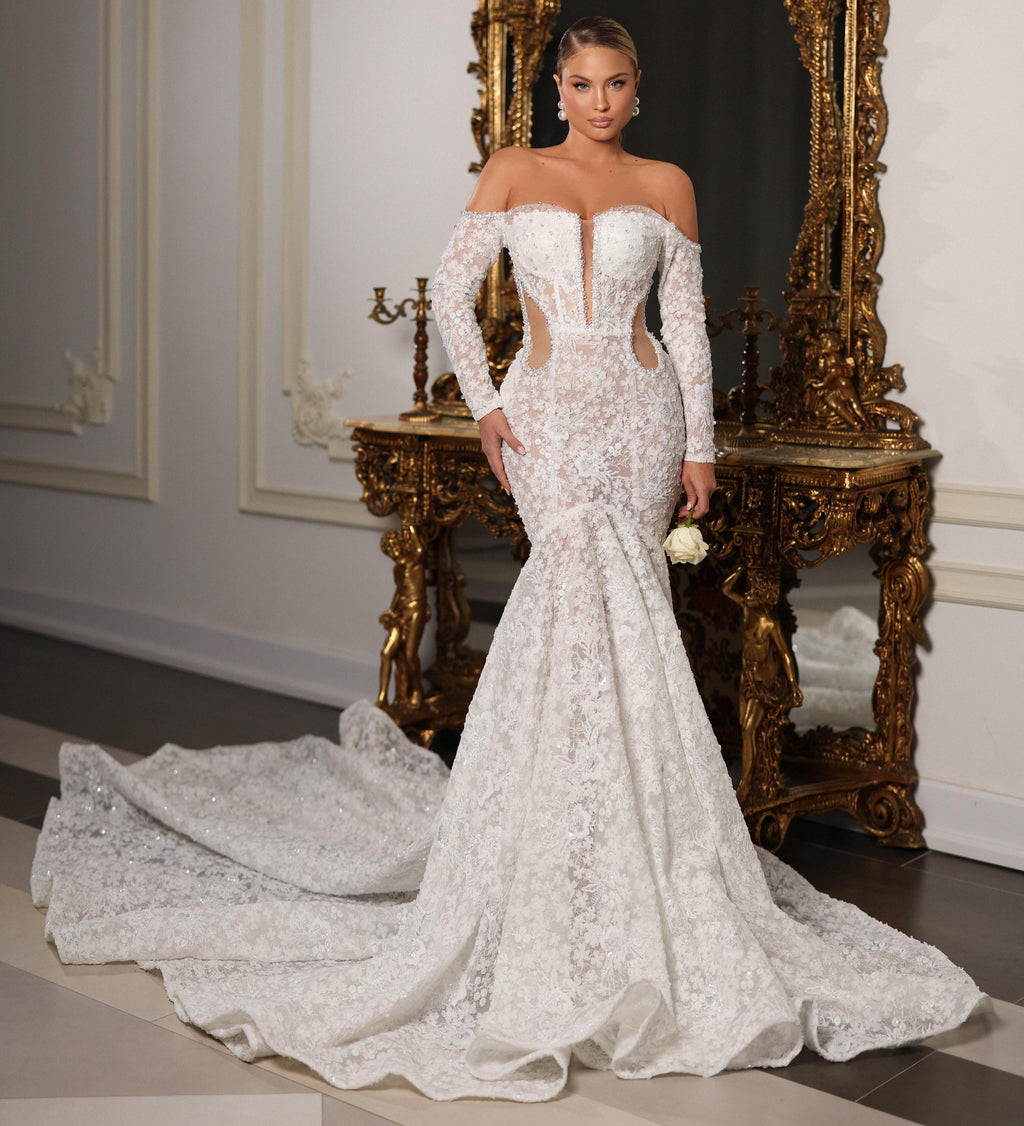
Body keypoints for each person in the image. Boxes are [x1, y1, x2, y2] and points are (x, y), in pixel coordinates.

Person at [32, 16, 982, 1104]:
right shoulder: (512, 168)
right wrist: (485, 408)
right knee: (567, 608)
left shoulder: (666, 183)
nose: (598, 100)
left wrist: (701, 446)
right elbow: (446, 289)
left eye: (616, 82)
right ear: (553, 89)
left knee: (623, 610)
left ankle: (626, 854)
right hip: (541, 418)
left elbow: (682, 320)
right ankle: (534, 856)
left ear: (637, 88)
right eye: (579, 83)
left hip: (634, 418)